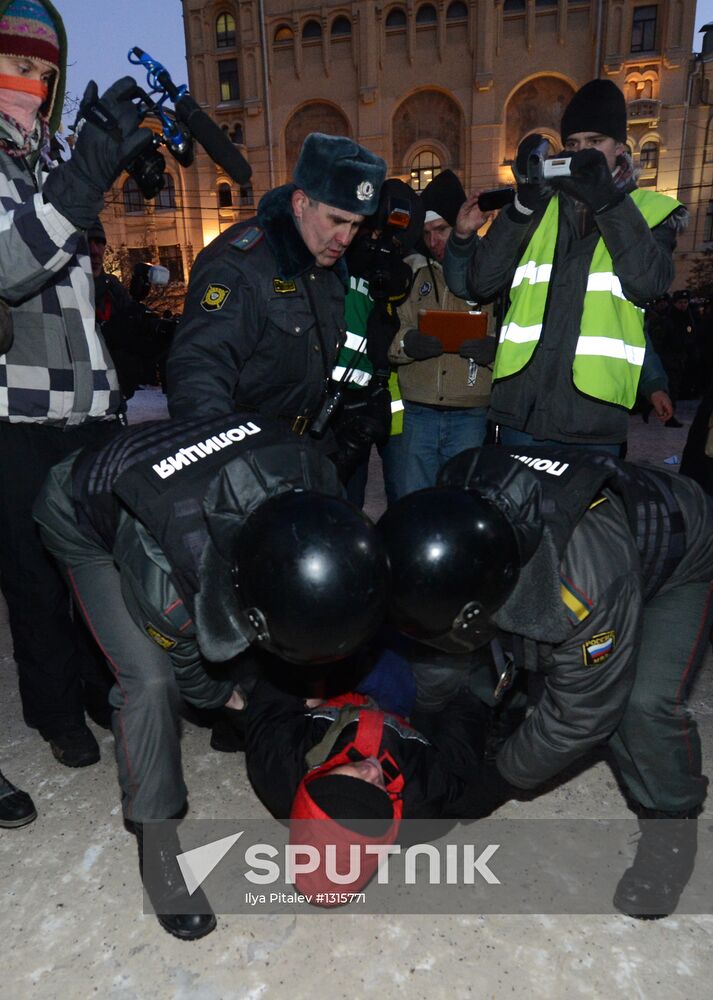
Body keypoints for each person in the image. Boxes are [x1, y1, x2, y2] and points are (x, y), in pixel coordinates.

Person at [33, 412, 391, 939]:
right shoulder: (174, 591)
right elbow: (195, 677)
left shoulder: (322, 489)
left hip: (165, 469)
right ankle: (156, 844)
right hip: (82, 506)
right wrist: (237, 701)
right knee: (148, 682)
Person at [377, 444, 713, 919]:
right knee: (487, 636)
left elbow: (584, 714)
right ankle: (502, 713)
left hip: (681, 551)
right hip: (578, 529)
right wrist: (426, 716)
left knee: (639, 705)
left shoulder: (583, 586)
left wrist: (500, 778)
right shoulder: (450, 518)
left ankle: (671, 827)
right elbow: (436, 635)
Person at [0, 0, 155, 766]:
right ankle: (57, 712)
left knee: (102, 568)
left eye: (42, 72)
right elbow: (9, 267)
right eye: (17, 66)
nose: (29, 84)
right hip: (19, 415)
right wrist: (83, 176)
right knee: (33, 584)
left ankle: (100, 687)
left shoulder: (45, 162)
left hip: (89, 408)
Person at [444, 79, 687, 453]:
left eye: (594, 143)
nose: (581, 154)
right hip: (519, 414)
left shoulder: (650, 212)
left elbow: (648, 284)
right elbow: (480, 282)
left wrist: (606, 199)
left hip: (592, 422)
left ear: (620, 148)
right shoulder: (539, 206)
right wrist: (523, 205)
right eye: (572, 144)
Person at [167, 132, 387, 437]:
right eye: (336, 220)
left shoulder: (324, 264)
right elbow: (198, 374)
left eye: (356, 225)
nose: (345, 239)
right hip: (250, 453)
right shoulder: (239, 265)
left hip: (300, 450)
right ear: (300, 203)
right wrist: (227, 462)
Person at [246, 663, 490, 904]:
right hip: (414, 699)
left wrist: (308, 687)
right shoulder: (429, 801)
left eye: (351, 781)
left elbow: (274, 685)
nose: (371, 770)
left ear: (316, 784)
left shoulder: (275, 766)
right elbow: (465, 719)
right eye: (378, 792)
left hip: (339, 677)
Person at [388, 170, 496, 497]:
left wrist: (496, 350)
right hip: (417, 412)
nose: (434, 242)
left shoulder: (493, 269)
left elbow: (518, 330)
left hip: (471, 413)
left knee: (461, 504)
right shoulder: (410, 271)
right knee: (413, 503)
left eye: (442, 230)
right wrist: (407, 343)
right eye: (427, 233)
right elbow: (387, 330)